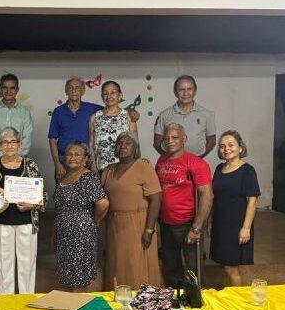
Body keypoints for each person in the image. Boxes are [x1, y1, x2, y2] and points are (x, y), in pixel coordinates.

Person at [0, 127, 45, 294]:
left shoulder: (30, 164)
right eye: (5, 142)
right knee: (4, 266)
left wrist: (32, 205)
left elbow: (43, 195)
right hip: (1, 223)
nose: (9, 145)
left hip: (26, 222)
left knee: (27, 266)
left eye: (13, 142)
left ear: (19, 144)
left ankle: (26, 300)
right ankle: (7, 302)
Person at [101, 132, 163, 290]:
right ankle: (119, 298)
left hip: (138, 224)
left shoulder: (143, 167)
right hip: (114, 224)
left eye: (127, 144)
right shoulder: (108, 170)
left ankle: (139, 299)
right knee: (117, 264)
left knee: (135, 264)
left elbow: (156, 200)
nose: (123, 146)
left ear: (135, 148)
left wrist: (149, 230)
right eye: (119, 143)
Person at [155, 123, 213, 288]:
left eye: (175, 137)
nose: (170, 141)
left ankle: (199, 299)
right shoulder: (161, 160)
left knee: (194, 269)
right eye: (167, 138)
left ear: (184, 139)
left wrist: (196, 228)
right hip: (166, 224)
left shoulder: (196, 163)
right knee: (171, 267)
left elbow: (207, 196)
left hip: (187, 224)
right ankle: (176, 298)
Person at [53, 142, 109, 291]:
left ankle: (79, 303)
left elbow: (103, 203)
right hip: (65, 233)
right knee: (69, 275)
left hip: (80, 234)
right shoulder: (65, 177)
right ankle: (71, 301)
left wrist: (94, 220)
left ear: (85, 159)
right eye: (69, 154)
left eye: (77, 155)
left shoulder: (88, 178)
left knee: (79, 276)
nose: (72, 157)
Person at [209, 131, 260, 286]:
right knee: (224, 265)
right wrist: (210, 222)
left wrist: (246, 228)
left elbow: (252, 201)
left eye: (231, 145)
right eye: (222, 146)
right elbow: (215, 198)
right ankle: (229, 295)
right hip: (220, 225)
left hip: (236, 226)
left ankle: (237, 298)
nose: (226, 149)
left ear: (240, 148)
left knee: (232, 268)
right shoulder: (219, 169)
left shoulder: (247, 171)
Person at [48, 77, 102, 183]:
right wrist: (57, 164)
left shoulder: (91, 109)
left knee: (87, 192)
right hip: (64, 161)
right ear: (66, 91)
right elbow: (52, 140)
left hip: (86, 161)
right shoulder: (58, 112)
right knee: (63, 191)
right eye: (70, 87)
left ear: (83, 91)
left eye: (77, 88)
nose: (73, 90)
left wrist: (128, 110)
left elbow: (110, 109)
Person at [153, 75, 216, 157]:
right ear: (175, 92)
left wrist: (197, 160)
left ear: (195, 91)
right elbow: (157, 143)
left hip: (196, 162)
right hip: (171, 163)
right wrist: (171, 159)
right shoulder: (164, 115)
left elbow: (212, 141)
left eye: (189, 89)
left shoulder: (207, 114)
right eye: (181, 90)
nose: (185, 93)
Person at [88, 80, 139, 173]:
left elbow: (135, 144)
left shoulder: (128, 116)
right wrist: (93, 166)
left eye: (113, 93)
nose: (109, 96)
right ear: (102, 96)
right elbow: (91, 145)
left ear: (120, 95)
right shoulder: (94, 118)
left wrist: (136, 167)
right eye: (105, 93)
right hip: (101, 169)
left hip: (124, 169)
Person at [0, 73, 33, 159]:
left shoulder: (25, 113)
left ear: (17, 90)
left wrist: (15, 158)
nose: (8, 91)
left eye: (12, 88)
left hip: (18, 161)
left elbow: (27, 139)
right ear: (0, 89)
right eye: (5, 88)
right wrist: (0, 157)